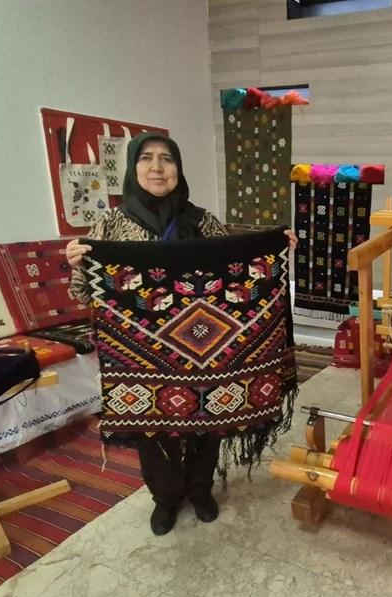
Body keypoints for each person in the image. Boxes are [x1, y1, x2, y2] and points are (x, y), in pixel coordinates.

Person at [67, 132, 295, 536]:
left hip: (207, 349)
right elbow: (85, 294)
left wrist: (276, 246)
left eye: (167, 159)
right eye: (146, 158)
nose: (157, 168)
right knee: (152, 428)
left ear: (178, 168)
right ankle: (166, 498)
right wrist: (78, 263)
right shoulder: (109, 226)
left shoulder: (202, 221)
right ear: (133, 168)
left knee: (210, 419)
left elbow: (238, 267)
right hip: (142, 356)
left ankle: (200, 489)